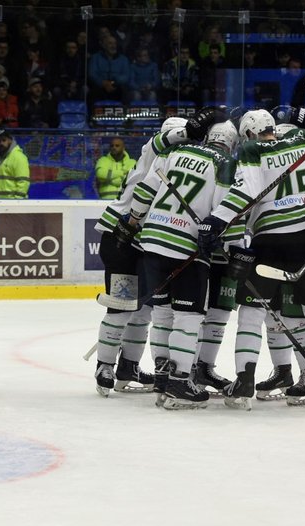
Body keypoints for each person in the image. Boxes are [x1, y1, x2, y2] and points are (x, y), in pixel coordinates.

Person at [198, 107, 305, 410]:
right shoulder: (301, 140)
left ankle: (245, 380)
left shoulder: (250, 151)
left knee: (251, 314)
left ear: (248, 133)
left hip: (270, 243)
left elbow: (245, 195)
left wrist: (217, 221)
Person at [128, 121, 238, 410]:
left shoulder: (175, 151)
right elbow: (223, 209)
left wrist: (133, 222)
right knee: (188, 317)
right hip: (186, 246)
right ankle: (179, 380)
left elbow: (145, 190)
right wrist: (220, 239)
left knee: (163, 312)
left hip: (151, 240)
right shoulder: (226, 163)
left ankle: (163, 377)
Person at [0, 128, 29, 199]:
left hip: (14, 203)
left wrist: (17, 201)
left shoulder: (19, 157)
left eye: (4, 140)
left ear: (10, 140)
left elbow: (23, 182)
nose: (1, 143)